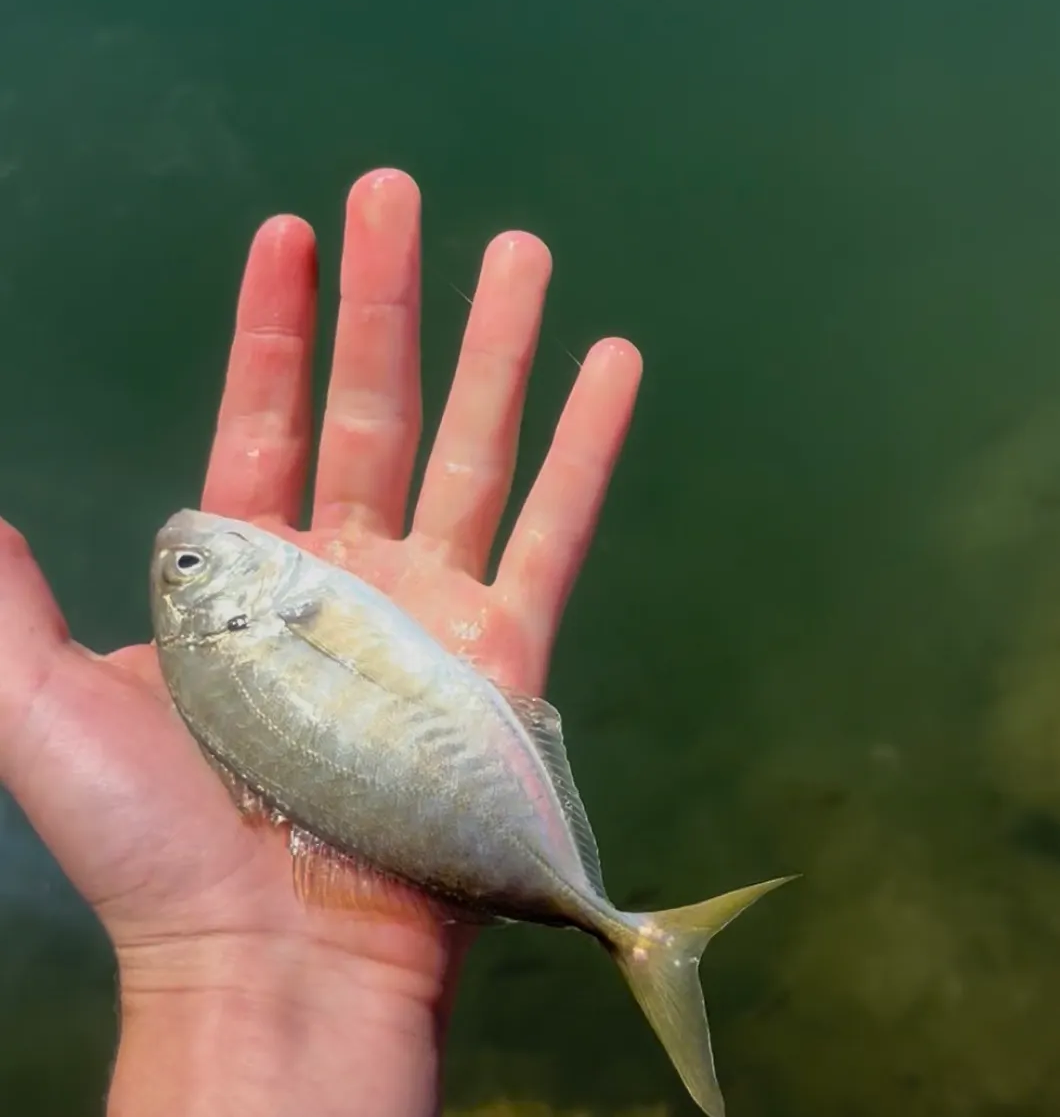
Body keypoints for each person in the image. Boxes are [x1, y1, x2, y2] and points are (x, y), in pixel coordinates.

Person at [0, 168, 643, 1116]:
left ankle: (611, 922)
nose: (183, 550)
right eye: (189, 571)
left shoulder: (244, 637)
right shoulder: (252, 622)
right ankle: (619, 928)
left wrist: (219, 980)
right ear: (221, 613)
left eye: (184, 570)